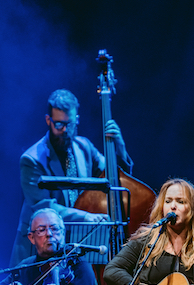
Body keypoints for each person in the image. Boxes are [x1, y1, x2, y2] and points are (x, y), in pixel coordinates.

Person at [10, 89, 134, 266]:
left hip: (75, 240)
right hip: (40, 247)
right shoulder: (31, 159)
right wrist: (85, 217)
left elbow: (115, 178)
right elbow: (44, 207)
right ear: (48, 121)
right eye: (59, 125)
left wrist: (119, 147)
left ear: (77, 120)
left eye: (70, 124)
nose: (65, 131)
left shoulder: (84, 147)